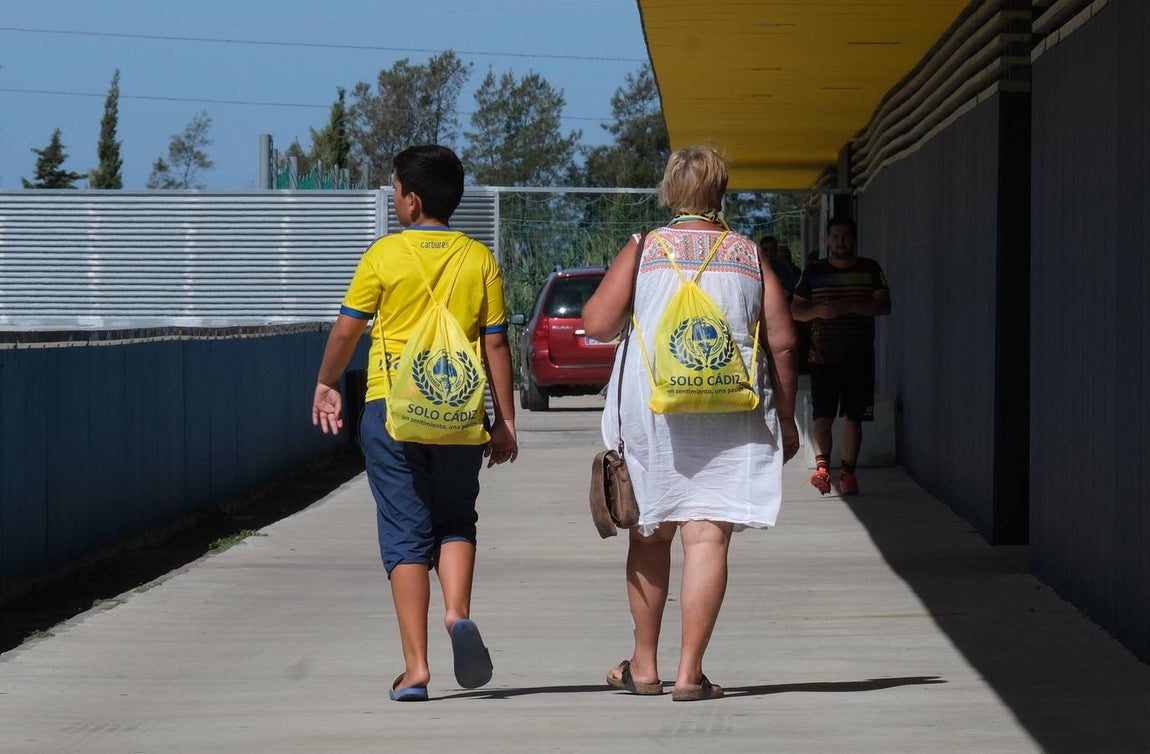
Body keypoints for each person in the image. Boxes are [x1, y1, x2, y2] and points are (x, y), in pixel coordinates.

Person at [583, 145, 798, 702]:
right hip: (730, 416)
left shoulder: (646, 248)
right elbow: (783, 341)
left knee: (651, 536)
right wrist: (790, 420)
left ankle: (644, 667)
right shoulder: (748, 255)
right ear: (721, 193)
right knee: (707, 539)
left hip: (652, 415)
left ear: (668, 191)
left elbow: (599, 325)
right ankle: (689, 674)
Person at [311, 144, 518, 702]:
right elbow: (496, 344)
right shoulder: (479, 259)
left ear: (411, 200)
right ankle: (456, 614)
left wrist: (328, 382)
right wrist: (505, 423)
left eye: (396, 188)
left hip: (392, 412)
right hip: (458, 413)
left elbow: (345, 332)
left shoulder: (384, 255)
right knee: (455, 519)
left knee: (405, 534)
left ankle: (417, 669)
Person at [791, 216, 891, 496]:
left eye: (845, 237)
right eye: (835, 237)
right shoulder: (813, 271)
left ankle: (848, 474)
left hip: (859, 357)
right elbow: (795, 311)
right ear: (827, 240)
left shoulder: (869, 269)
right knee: (822, 416)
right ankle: (822, 471)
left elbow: (884, 305)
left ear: (854, 239)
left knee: (852, 417)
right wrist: (817, 312)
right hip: (822, 356)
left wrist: (850, 305)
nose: (840, 242)